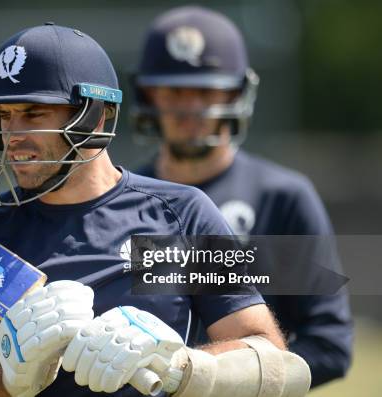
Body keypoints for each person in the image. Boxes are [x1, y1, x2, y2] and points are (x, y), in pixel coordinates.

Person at [0, 23, 310, 397]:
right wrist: (6, 380)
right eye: (5, 116)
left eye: (33, 114)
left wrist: (179, 366)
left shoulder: (180, 214)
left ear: (95, 116)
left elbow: (268, 356)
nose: (13, 136)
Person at [131, 6, 352, 388]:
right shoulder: (125, 198)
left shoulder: (283, 197)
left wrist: (221, 380)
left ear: (236, 92)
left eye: (206, 90)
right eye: (174, 90)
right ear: (149, 95)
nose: (190, 107)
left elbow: (329, 345)